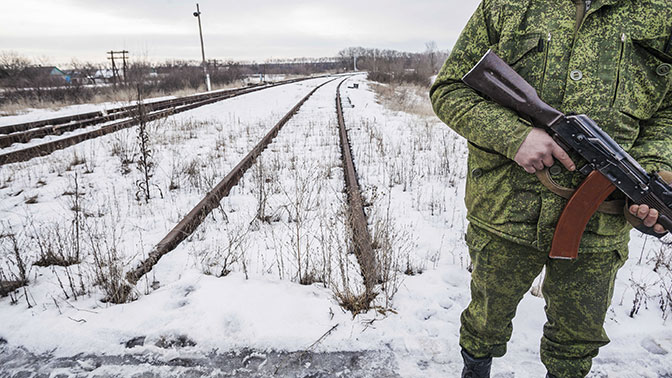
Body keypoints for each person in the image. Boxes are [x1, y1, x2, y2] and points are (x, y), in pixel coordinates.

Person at [430, 0, 672, 377]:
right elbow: (450, 89)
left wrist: (655, 172)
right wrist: (516, 137)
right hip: (504, 210)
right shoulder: (506, 4)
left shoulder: (663, 11)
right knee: (484, 322)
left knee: (576, 342)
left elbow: (669, 113)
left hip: (598, 227)